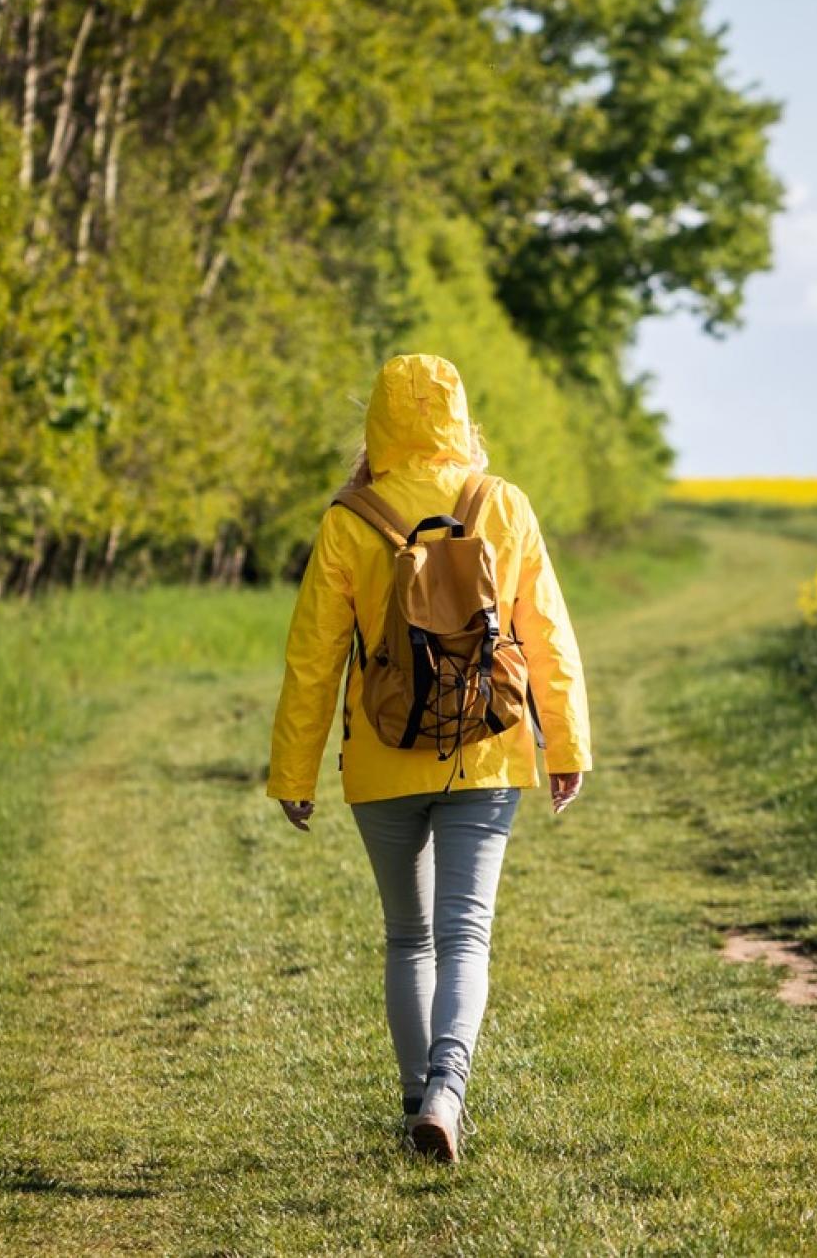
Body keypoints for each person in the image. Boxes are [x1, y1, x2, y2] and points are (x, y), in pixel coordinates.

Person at [265, 352, 592, 1162]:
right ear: (460, 418)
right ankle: (448, 1092)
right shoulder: (501, 506)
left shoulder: (350, 518)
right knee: (466, 935)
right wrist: (567, 744)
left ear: (378, 422)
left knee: (408, 938)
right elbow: (545, 634)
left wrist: (293, 773)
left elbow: (313, 658)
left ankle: (419, 1100)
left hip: (381, 759)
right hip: (486, 752)